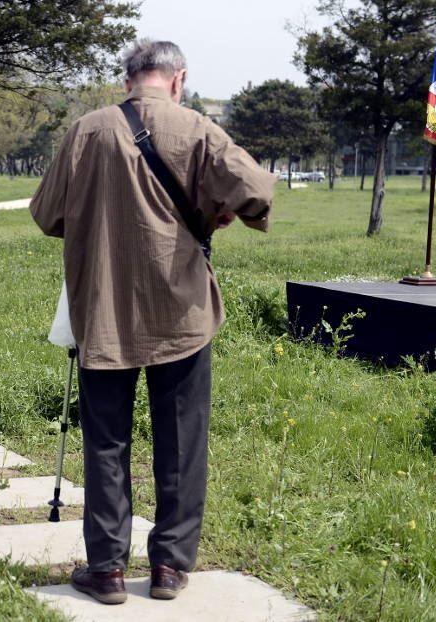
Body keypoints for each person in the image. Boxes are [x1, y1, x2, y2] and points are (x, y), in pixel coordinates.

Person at [30, 39, 275, 605]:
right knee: (182, 440)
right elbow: (258, 190)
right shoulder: (198, 129)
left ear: (128, 81)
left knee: (106, 440)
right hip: (182, 312)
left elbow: (46, 214)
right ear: (178, 79)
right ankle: (168, 567)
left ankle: (108, 570)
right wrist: (222, 212)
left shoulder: (86, 130)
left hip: (103, 307)